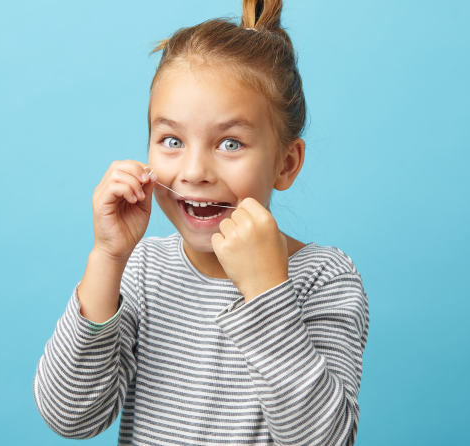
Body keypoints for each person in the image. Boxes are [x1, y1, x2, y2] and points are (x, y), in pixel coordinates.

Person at [33, 0, 370, 444]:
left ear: (286, 164)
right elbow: (70, 416)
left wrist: (267, 294)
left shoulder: (323, 280)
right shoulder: (145, 270)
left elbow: (324, 440)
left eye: (230, 143)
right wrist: (108, 257)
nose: (194, 171)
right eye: (172, 140)